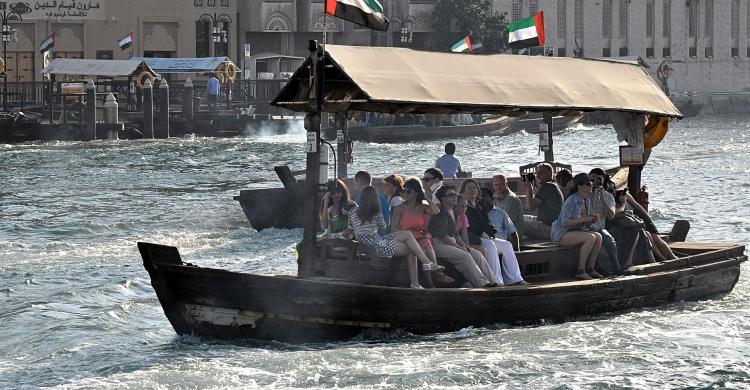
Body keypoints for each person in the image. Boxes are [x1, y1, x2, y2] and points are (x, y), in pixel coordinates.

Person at [349, 186, 444, 289]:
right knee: (411, 249)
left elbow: (350, 229)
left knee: (407, 234)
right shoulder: (375, 211)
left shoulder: (352, 212)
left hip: (368, 243)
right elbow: (383, 226)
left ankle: (426, 264)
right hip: (375, 244)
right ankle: (416, 282)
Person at [428, 185, 498, 288]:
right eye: (450, 195)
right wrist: (459, 248)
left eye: (455, 194)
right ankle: (482, 284)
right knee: (465, 256)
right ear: (442, 198)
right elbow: (443, 237)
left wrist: (465, 246)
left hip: (451, 242)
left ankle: (493, 282)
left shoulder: (452, 211)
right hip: (439, 244)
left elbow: (456, 234)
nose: (454, 197)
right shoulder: (440, 212)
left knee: (476, 254)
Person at [461, 179, 526, 286]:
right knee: (490, 246)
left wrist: (492, 232)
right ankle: (496, 280)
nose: (472, 190)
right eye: (469, 188)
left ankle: (514, 279)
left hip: (483, 236)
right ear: (463, 191)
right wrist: (483, 234)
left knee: (507, 245)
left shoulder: (478, 205)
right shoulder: (465, 205)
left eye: (474, 187)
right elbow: (471, 225)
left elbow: (486, 222)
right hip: (472, 237)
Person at [391, 177, 454, 287]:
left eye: (408, 191)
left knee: (427, 245)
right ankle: (435, 279)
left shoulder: (422, 207)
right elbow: (393, 229)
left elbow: (436, 210)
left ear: (416, 193)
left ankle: (434, 278)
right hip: (405, 236)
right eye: (403, 191)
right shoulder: (400, 208)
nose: (405, 193)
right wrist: (408, 235)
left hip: (419, 236)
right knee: (423, 249)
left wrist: (425, 197)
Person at [550, 173, 604, 280]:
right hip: (561, 234)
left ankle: (591, 269)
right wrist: (585, 218)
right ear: (579, 186)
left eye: (591, 183)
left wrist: (592, 220)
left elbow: (582, 223)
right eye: (588, 183)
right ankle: (580, 271)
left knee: (598, 236)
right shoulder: (571, 200)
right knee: (590, 237)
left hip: (573, 232)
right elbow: (564, 222)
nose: (591, 185)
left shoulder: (586, 200)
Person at [588, 168, 622, 276]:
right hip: (585, 226)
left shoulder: (608, 196)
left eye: (599, 179)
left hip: (599, 227)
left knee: (610, 240)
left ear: (603, 181)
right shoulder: (584, 193)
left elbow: (611, 216)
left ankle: (616, 269)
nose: (595, 182)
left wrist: (602, 197)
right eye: (593, 179)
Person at [523, 163, 564, 240]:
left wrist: (529, 188)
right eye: (536, 173)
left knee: (517, 222)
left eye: (540, 173)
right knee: (519, 217)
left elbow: (530, 206)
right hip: (548, 223)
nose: (537, 176)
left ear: (549, 173)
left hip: (550, 229)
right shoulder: (553, 185)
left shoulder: (547, 186)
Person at [492, 173, 525, 241]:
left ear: (506, 184)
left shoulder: (511, 199)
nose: (498, 187)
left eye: (501, 184)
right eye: (496, 185)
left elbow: (505, 224)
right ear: (493, 186)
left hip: (513, 235)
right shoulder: (497, 198)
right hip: (502, 231)